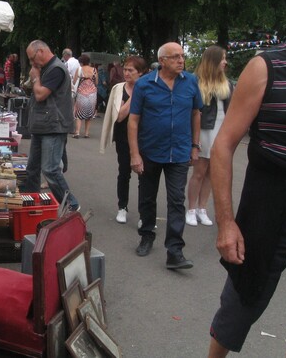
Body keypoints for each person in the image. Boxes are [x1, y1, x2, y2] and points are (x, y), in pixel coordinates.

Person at [208, 44, 286, 358]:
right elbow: (224, 144)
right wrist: (226, 223)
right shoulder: (265, 67)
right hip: (269, 196)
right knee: (242, 298)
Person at [128, 42, 202, 269]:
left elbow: (196, 113)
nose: (181, 60)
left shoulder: (190, 81)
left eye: (182, 56)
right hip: (150, 151)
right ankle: (147, 235)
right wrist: (135, 154)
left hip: (179, 151)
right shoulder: (144, 84)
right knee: (147, 197)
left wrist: (195, 145)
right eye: (175, 57)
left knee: (176, 201)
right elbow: (133, 121)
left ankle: (175, 251)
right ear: (162, 61)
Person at [24, 39, 80, 212]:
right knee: (32, 167)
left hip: (53, 126)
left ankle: (72, 204)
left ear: (41, 51)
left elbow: (40, 94)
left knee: (50, 169)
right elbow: (33, 91)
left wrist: (35, 78)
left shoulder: (55, 69)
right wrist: (33, 79)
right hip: (43, 124)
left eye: (32, 58)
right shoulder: (46, 68)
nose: (32, 63)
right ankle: (31, 201)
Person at [186, 45, 233, 227]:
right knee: (199, 172)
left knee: (212, 174)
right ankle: (190, 209)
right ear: (213, 61)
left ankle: (202, 208)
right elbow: (193, 112)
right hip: (204, 131)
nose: (225, 62)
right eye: (222, 58)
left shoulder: (227, 83)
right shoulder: (196, 81)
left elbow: (230, 109)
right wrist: (193, 141)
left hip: (221, 130)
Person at [99, 55, 148, 224]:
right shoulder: (119, 89)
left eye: (131, 70)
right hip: (123, 137)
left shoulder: (149, 89)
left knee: (145, 176)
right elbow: (119, 116)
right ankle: (122, 207)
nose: (126, 73)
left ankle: (144, 214)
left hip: (145, 137)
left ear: (141, 73)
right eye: (125, 69)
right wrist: (135, 97)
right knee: (124, 173)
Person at [72, 53, 98, 138]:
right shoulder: (94, 70)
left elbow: (74, 82)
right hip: (92, 93)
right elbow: (96, 82)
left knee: (79, 112)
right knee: (89, 113)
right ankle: (86, 133)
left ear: (81, 62)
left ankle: (77, 132)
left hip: (82, 93)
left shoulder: (79, 69)